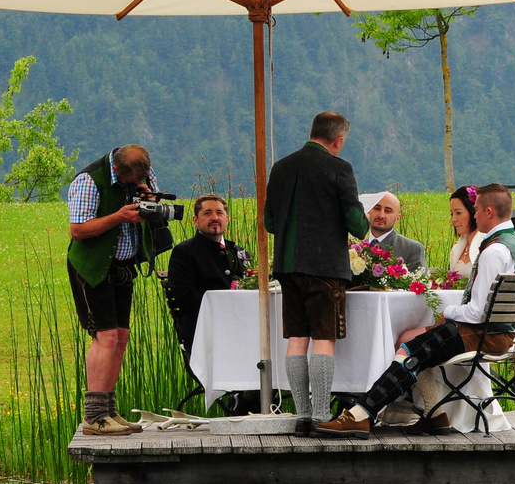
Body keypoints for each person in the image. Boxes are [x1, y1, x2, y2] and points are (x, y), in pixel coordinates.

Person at [334, 183, 515, 434]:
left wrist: (448, 312)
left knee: (410, 351)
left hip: (485, 335)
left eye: (475, 210)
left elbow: (477, 313)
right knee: (416, 345)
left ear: (488, 212)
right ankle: (432, 414)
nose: (473, 216)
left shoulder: (494, 251)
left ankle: (363, 413)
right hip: (504, 333)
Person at [266, 112, 369, 437]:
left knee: (297, 339)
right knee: (323, 339)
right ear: (338, 140)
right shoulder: (340, 168)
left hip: (286, 266)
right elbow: (357, 224)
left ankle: (302, 417)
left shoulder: (280, 167)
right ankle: (323, 415)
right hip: (325, 269)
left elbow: (270, 223)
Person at [67, 144, 171, 435]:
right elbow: (77, 230)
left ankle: (109, 410)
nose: (131, 186)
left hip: (124, 266)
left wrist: (151, 199)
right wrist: (119, 216)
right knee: (106, 337)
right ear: (117, 170)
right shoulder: (88, 181)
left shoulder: (143, 173)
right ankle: (94, 416)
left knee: (121, 337)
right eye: (128, 182)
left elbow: (156, 209)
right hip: (93, 266)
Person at [165, 194, 251, 356]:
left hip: (244, 330)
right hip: (204, 332)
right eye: (207, 213)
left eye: (219, 213)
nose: (214, 218)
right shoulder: (185, 252)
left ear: (227, 218)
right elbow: (187, 296)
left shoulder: (239, 252)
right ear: (195, 220)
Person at [361, 191, 427, 269]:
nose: (381, 215)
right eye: (377, 208)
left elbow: (419, 279)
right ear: (368, 212)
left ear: (397, 218)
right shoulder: (358, 248)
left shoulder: (411, 248)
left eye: (388, 211)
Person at [445, 185, 486, 282]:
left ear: (473, 212)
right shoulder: (456, 249)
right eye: (452, 214)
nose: (453, 219)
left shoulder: (486, 245)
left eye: (458, 213)